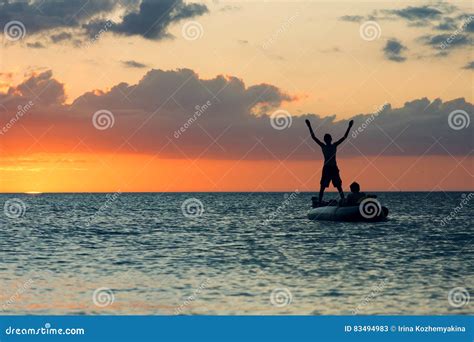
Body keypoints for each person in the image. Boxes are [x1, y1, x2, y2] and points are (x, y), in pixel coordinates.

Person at [305, 118, 354, 203]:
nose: (327, 140)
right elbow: (313, 137)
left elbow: (344, 137)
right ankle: (320, 202)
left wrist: (349, 127)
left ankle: (343, 200)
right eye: (326, 139)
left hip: (334, 168)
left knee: (339, 186)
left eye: (329, 138)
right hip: (327, 168)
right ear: (325, 140)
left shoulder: (334, 145)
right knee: (322, 186)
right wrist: (309, 126)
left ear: (331, 139)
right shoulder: (323, 146)